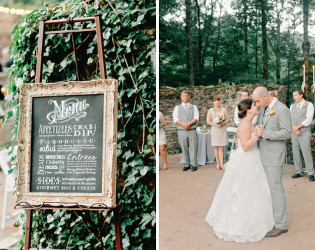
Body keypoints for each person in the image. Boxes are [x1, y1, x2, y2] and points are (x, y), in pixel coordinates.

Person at [205, 99, 274, 243]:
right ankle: (238, 223)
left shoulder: (250, 122)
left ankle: (253, 218)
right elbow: (245, 147)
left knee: (253, 190)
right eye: (255, 105)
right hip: (246, 159)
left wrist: (256, 132)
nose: (257, 107)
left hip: (253, 158)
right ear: (249, 110)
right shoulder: (244, 124)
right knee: (242, 190)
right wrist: (257, 135)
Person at [252, 86, 291, 237]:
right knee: (267, 188)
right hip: (263, 154)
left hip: (274, 156)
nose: (256, 104)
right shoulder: (264, 109)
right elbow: (259, 126)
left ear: (266, 96)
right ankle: (271, 218)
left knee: (276, 189)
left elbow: (287, 132)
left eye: (257, 101)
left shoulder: (282, 109)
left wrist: (265, 133)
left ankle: (281, 224)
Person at [290, 89, 314, 182]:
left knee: (306, 152)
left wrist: (297, 127)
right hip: (294, 132)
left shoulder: (309, 105)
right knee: (295, 152)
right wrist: (294, 129)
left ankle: (311, 173)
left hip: (304, 132)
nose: (294, 97)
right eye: (293, 95)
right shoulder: (292, 106)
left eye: (295, 95)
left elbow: (308, 120)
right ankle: (298, 171)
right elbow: (290, 118)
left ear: (301, 95)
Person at [173, 90, 199, 171]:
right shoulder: (177, 108)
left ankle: (194, 164)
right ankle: (187, 163)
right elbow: (175, 119)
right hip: (181, 131)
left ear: (189, 97)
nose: (185, 97)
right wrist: (184, 124)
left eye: (187, 96)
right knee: (184, 147)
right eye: (183, 96)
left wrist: (189, 124)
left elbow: (196, 117)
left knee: (193, 147)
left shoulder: (193, 107)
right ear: (181, 97)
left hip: (192, 130)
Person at [206, 96, 230, 170]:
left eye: (218, 100)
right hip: (215, 130)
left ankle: (222, 163)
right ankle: (217, 163)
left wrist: (222, 124)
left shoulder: (224, 110)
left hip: (222, 129)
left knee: (221, 148)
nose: (217, 102)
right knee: (216, 147)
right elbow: (208, 121)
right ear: (213, 102)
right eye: (215, 101)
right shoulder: (210, 110)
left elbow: (228, 119)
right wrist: (216, 125)